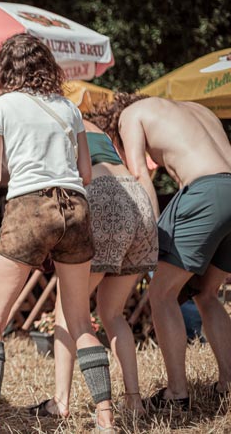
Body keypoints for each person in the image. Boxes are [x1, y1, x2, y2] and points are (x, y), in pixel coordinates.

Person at [0, 33, 115, 434]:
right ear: (47, 65)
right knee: (81, 321)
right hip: (76, 208)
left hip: (30, 208)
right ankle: (105, 421)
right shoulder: (68, 107)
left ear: (5, 69)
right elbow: (84, 173)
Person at [92, 93, 231, 410]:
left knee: (161, 294)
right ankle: (228, 383)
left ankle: (177, 394)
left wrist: (148, 232)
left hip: (205, 191)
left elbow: (139, 173)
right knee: (207, 294)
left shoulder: (130, 116)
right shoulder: (197, 109)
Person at [29, 119, 158, 418]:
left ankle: (60, 402)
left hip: (103, 193)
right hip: (135, 195)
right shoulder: (89, 123)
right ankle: (134, 401)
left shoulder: (49, 119)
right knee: (113, 313)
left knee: (67, 307)